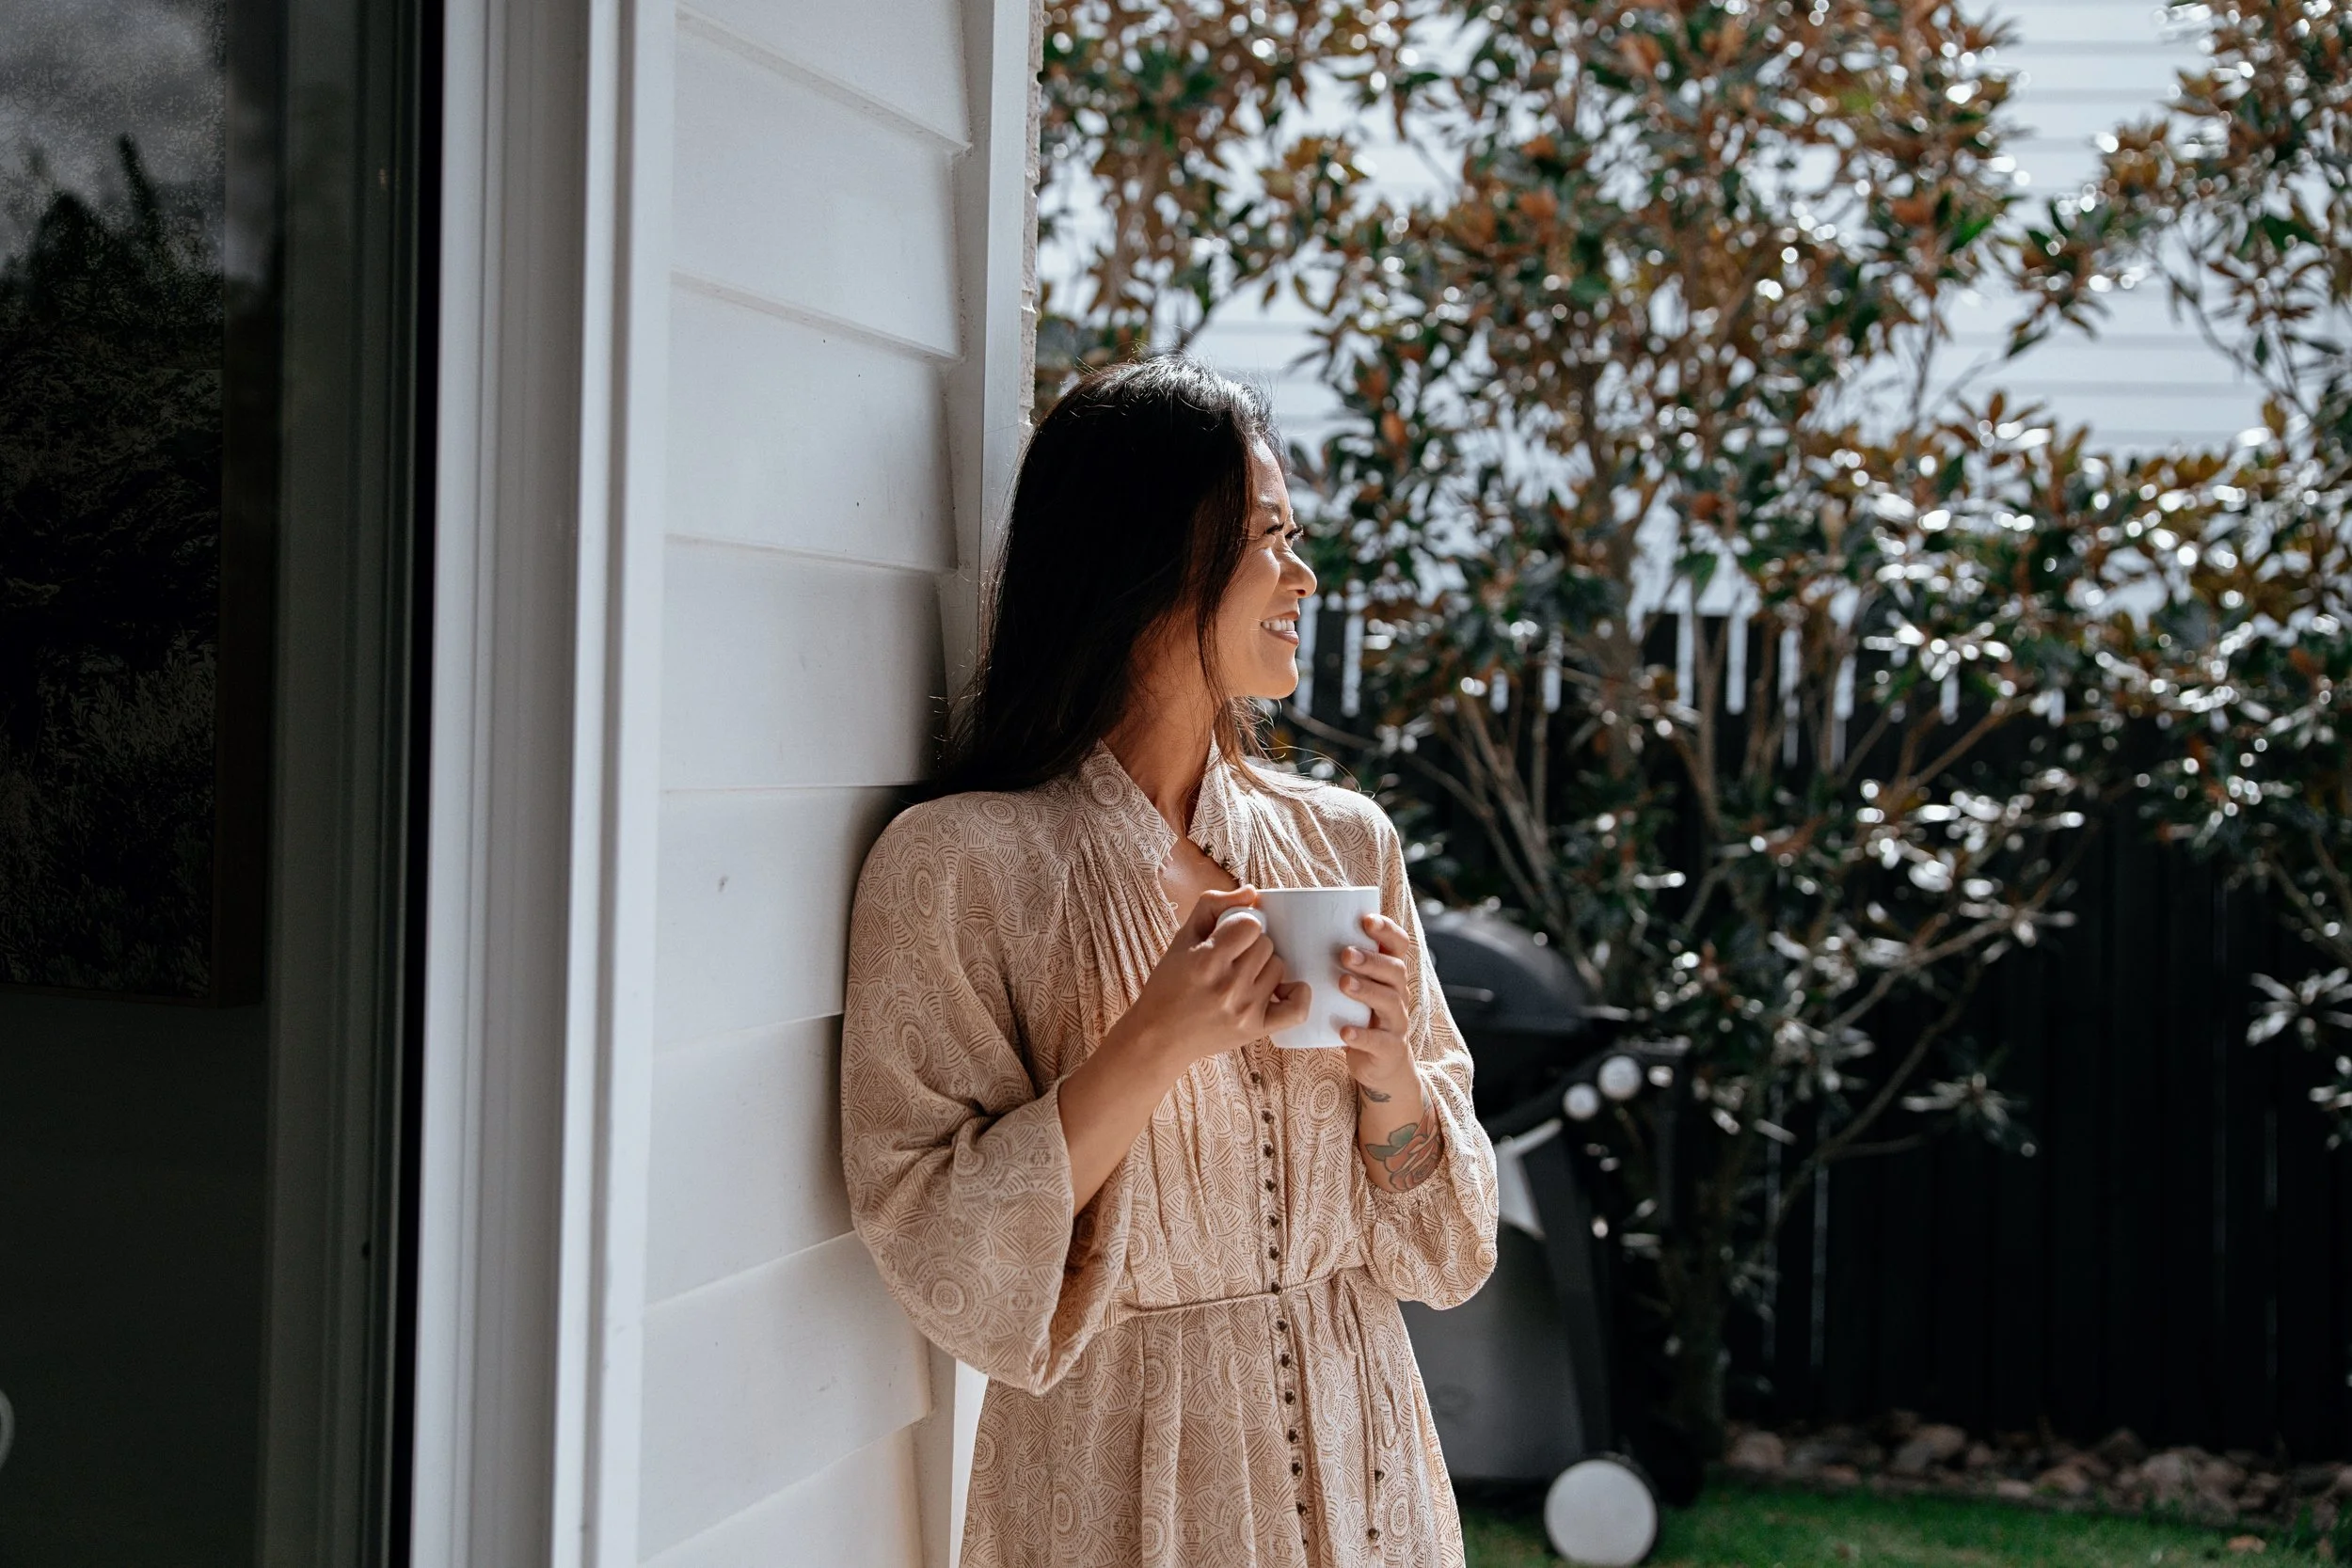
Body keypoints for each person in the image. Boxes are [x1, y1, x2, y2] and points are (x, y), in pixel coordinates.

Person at [840, 356, 1498, 1567]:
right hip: (1121, 1486)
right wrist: (1155, 1041)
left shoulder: (1345, 842)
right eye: (1264, 537)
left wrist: (1390, 1069)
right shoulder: (960, 867)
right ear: (1147, 559)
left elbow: (1446, 1254)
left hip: (1378, 1476)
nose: (1303, 576)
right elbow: (933, 1244)